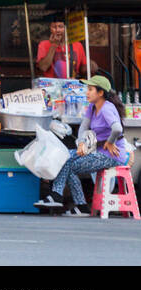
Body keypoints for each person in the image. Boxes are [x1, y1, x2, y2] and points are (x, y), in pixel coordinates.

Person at [36, 75, 131, 215]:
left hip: (112, 155)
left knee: (70, 165)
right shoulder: (93, 107)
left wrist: (110, 142)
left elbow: (117, 129)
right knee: (65, 156)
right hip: (97, 150)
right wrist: (81, 143)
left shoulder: (106, 108)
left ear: (100, 93)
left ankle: (64, 198)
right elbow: (83, 128)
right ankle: (75, 203)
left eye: (90, 89)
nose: (86, 92)